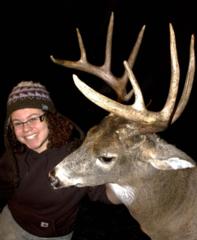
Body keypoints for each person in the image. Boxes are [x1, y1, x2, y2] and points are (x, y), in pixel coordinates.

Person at [0, 81, 120, 240]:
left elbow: (106, 194)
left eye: (33, 118)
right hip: (11, 223)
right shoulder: (13, 152)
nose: (26, 128)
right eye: (18, 123)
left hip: (52, 236)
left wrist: (131, 180)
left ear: (49, 117)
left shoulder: (77, 155)